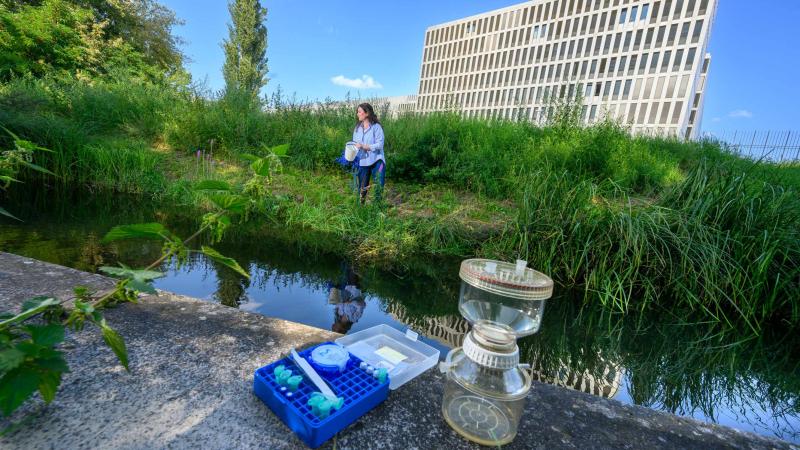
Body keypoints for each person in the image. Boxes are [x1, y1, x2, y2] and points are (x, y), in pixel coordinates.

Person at [352, 103, 386, 204]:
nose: (357, 114)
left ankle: (377, 208)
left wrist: (366, 146)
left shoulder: (376, 127)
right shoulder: (357, 129)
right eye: (357, 112)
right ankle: (361, 207)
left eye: (359, 112)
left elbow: (380, 144)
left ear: (366, 113)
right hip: (363, 161)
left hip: (377, 161)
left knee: (379, 184)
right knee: (362, 187)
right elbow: (355, 144)